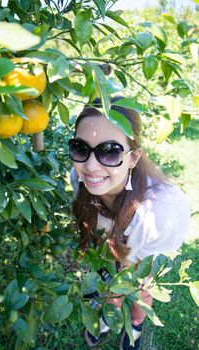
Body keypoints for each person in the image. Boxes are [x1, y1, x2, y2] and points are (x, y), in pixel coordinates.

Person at [68, 96, 190, 350]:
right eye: (80, 148)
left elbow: (142, 263)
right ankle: (105, 317)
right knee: (106, 284)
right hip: (104, 246)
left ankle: (135, 323)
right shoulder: (78, 178)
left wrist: (124, 274)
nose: (90, 166)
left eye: (110, 151)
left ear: (133, 158)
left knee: (140, 291)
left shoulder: (161, 211)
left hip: (142, 252)